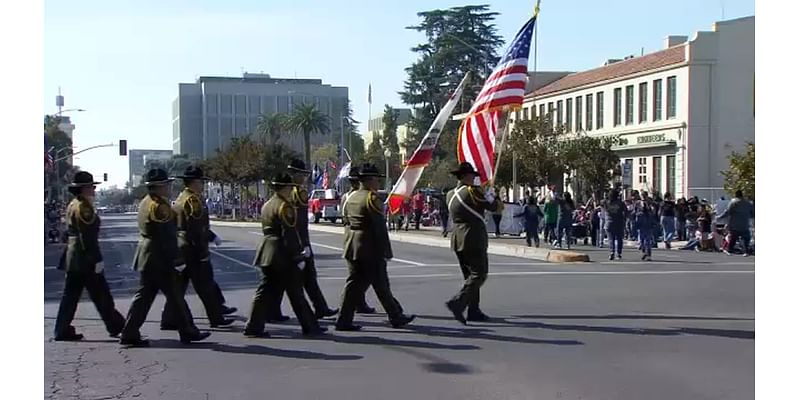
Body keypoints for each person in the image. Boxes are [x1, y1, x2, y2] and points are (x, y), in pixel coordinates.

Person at [119, 168, 211, 347]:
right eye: (167, 184)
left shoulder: (147, 202)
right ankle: (188, 331)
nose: (169, 187)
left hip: (148, 255)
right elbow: (167, 235)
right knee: (175, 295)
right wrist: (178, 259)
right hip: (159, 257)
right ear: (160, 186)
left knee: (145, 296)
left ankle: (129, 332)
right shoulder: (160, 206)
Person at [243, 173, 326, 337]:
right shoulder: (284, 206)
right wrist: (298, 256)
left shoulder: (268, 204)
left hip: (267, 251)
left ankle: (253, 325)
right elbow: (289, 234)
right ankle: (310, 326)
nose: (291, 190)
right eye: (290, 187)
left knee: (264, 291)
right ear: (286, 187)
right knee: (296, 292)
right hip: (281, 254)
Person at [335, 163, 415, 331]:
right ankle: (395, 316)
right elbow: (379, 228)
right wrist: (386, 251)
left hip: (352, 244)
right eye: (377, 180)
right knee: (380, 284)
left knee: (354, 284)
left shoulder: (350, 197)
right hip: (368, 246)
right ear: (370, 180)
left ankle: (344, 319)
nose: (378, 183)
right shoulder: (371, 199)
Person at [53, 171, 126, 341]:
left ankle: (62, 329)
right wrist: (96, 260)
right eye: (92, 187)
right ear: (84, 189)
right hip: (84, 258)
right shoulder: (84, 207)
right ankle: (117, 325)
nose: (93, 189)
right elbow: (87, 237)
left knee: (71, 296)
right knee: (101, 294)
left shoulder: (73, 204)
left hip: (74, 257)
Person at [159, 166, 235, 331]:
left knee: (179, 288)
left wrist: (211, 236)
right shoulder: (193, 201)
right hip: (193, 249)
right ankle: (216, 318)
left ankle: (169, 319)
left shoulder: (181, 198)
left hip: (183, 247)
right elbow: (196, 228)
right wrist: (203, 249)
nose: (203, 185)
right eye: (201, 181)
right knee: (205, 285)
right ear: (194, 182)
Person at [269, 159, 338, 321]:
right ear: (296, 175)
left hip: (289, 242)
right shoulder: (299, 193)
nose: (305, 178)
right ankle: (317, 309)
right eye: (302, 175)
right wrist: (303, 245)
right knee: (299, 279)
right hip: (298, 241)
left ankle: (319, 307)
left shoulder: (289, 192)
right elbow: (299, 222)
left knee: (303, 278)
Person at [444, 162, 501, 324]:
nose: (474, 178)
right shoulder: (472, 191)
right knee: (479, 274)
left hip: (457, 238)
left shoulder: (450, 194)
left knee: (470, 277)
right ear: (464, 176)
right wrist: (492, 195)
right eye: (471, 175)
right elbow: (495, 208)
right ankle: (458, 302)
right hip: (473, 237)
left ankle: (474, 310)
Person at [340, 165, 376, 314]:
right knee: (360, 276)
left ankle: (358, 303)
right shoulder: (362, 197)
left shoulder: (346, 197)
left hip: (349, 235)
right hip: (360, 236)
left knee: (356, 275)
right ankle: (355, 304)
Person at [717, 190, 755, 256]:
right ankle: (746, 251)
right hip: (744, 224)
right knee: (746, 238)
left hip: (734, 223)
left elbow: (728, 212)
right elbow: (753, 213)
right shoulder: (748, 203)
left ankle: (729, 249)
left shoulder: (733, 202)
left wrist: (720, 217)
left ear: (736, 195)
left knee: (733, 237)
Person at [605, 189, 626, 261]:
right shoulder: (621, 203)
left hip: (609, 222)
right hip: (619, 222)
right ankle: (619, 253)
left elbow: (600, 203)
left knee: (611, 239)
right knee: (619, 238)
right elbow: (626, 212)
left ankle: (612, 252)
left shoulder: (607, 203)